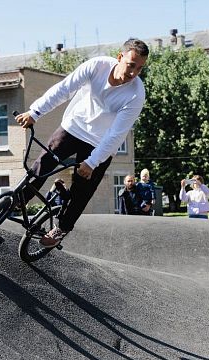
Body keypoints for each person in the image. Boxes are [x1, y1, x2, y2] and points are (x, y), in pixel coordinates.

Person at [14, 38, 149, 247]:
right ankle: (16, 201)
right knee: (44, 162)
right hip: (73, 128)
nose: (133, 73)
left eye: (139, 69)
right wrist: (35, 112)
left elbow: (117, 134)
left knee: (82, 189)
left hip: (101, 144)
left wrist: (92, 162)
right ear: (119, 57)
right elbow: (64, 89)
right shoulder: (97, 66)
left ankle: (62, 228)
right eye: (131, 65)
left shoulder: (136, 94)